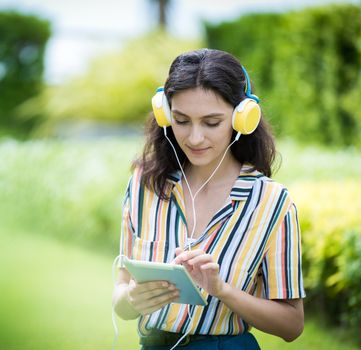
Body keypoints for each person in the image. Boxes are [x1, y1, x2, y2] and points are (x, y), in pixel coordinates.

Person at [112, 48, 305, 350]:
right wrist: (132, 299)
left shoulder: (272, 203)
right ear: (165, 114)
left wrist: (222, 290)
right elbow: (121, 298)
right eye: (181, 120)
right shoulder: (144, 184)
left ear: (243, 119)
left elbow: (292, 325)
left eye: (212, 122)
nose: (194, 138)